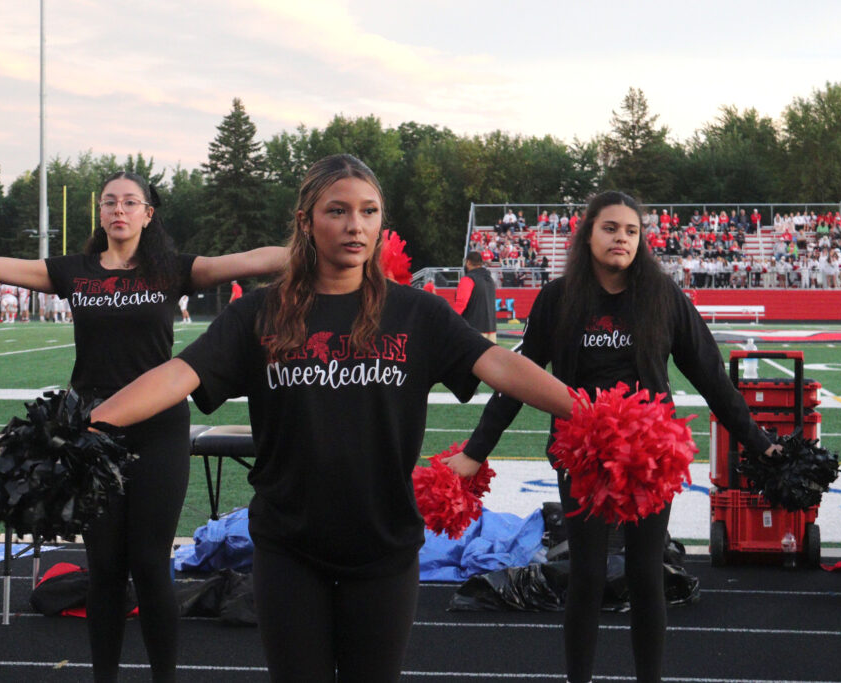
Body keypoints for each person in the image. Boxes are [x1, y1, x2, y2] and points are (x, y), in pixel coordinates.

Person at [88, 155, 574, 682]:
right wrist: (89, 423)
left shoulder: (418, 313)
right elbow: (178, 374)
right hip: (288, 548)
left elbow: (500, 362)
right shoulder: (258, 313)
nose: (355, 226)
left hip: (384, 548)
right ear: (306, 221)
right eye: (338, 210)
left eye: (369, 212)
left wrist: (588, 413)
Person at [0, 170, 288, 682]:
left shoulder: (173, 270)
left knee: (150, 564)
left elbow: (255, 260)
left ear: (148, 213)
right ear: (100, 213)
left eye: (130, 202)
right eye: (110, 202)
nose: (119, 210)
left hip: (160, 427)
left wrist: (324, 244)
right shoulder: (75, 271)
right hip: (91, 434)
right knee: (106, 571)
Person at [448, 190, 780, 683]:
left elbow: (713, 379)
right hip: (580, 456)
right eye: (610, 228)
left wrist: (761, 444)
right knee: (585, 576)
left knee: (646, 578)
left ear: (641, 239)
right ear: (589, 234)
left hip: (650, 459)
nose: (620, 237)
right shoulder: (560, 298)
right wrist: (475, 453)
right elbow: (516, 381)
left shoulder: (664, 297)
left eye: (630, 230)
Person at [452, 251, 497, 342]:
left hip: (473, 329)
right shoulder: (490, 279)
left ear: (468, 262)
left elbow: (461, 304)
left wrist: (450, 320)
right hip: (491, 329)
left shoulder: (468, 279)